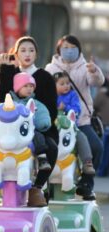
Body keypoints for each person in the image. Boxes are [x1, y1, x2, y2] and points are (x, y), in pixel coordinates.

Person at [0, 36, 58, 207]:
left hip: (38, 126)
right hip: (10, 127)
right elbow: (1, 99)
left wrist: (38, 121)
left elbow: (51, 108)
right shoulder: (11, 72)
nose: (27, 54)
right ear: (15, 54)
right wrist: (4, 69)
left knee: (51, 147)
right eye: (22, 50)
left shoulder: (44, 76)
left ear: (36, 54)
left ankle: (37, 187)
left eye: (31, 50)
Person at [45, 34, 104, 200]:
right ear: (59, 50)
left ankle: (86, 183)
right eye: (65, 48)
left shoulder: (85, 67)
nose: (69, 51)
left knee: (97, 147)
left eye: (73, 48)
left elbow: (96, 82)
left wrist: (95, 71)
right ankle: (44, 184)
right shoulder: (51, 68)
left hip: (80, 121)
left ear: (79, 50)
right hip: (54, 121)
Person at [54, 71, 96, 176]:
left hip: (70, 126)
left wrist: (66, 108)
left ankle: (87, 162)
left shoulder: (72, 95)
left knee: (81, 137)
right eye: (62, 84)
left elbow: (77, 110)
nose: (66, 86)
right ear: (54, 85)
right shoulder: (52, 96)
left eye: (68, 83)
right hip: (55, 126)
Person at [11, 72, 52, 171]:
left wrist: (43, 121)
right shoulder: (10, 102)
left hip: (28, 130)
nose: (29, 89)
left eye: (31, 86)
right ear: (17, 88)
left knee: (38, 136)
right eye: (25, 86)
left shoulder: (36, 103)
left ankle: (42, 157)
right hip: (11, 130)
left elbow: (42, 113)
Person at [94, 80, 109, 176]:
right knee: (103, 148)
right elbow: (94, 106)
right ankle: (100, 170)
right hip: (104, 126)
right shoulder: (102, 94)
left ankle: (102, 170)